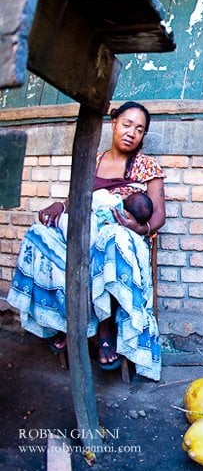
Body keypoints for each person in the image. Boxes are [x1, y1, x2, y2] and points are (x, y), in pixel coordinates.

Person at [7, 101, 166, 380]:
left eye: (139, 130)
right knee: (39, 234)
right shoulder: (95, 159)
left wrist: (138, 228)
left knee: (110, 239)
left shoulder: (146, 166)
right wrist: (60, 206)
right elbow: (76, 198)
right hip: (86, 227)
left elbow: (159, 215)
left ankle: (104, 328)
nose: (131, 132)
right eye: (127, 124)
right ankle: (68, 320)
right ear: (114, 122)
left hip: (122, 234)